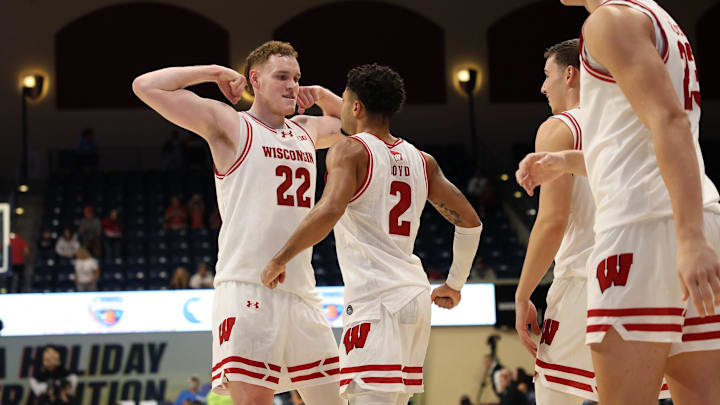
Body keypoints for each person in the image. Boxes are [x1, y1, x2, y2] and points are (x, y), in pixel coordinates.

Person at [516, 1, 720, 403]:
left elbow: (670, 120)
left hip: (642, 229)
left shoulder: (607, 20)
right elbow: (642, 141)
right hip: (699, 214)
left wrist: (690, 237)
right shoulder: (663, 20)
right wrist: (565, 161)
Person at [133, 40, 346, 405]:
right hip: (248, 286)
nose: (291, 85)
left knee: (334, 401)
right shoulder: (231, 124)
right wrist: (213, 73)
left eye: (296, 77)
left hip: (302, 291)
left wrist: (324, 94)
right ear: (255, 80)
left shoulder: (306, 130)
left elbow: (360, 127)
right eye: (281, 76)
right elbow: (145, 86)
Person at [261, 64, 483, 405]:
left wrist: (280, 257)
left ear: (356, 107)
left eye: (346, 100)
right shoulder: (423, 161)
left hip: (377, 302)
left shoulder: (350, 150)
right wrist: (455, 283)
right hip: (414, 298)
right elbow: (469, 221)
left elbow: (330, 209)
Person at [514, 39, 599, 405]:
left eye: (547, 75)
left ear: (570, 74)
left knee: (553, 391)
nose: (543, 86)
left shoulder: (559, 127)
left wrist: (522, 294)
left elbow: (552, 221)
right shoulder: (632, 119)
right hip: (645, 271)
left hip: (586, 277)